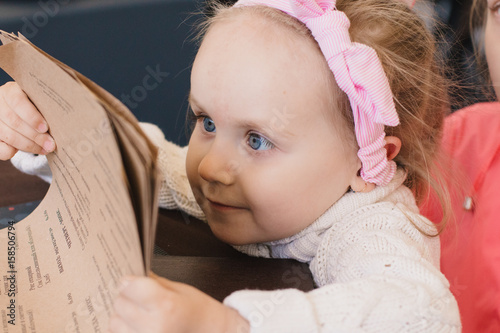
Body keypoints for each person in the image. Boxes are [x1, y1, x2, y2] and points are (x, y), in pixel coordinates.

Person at [0, 0, 462, 331]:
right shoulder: (235, 183)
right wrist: (45, 131)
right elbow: (153, 166)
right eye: (206, 122)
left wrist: (230, 323)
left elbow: (422, 312)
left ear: (365, 165)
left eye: (256, 140)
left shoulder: (371, 228)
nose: (212, 167)